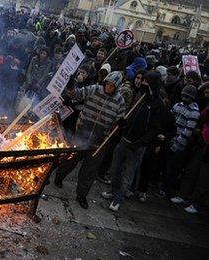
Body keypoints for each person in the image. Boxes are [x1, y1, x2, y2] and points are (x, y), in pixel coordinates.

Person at [55, 71, 126, 209]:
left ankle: (82, 195)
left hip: (100, 140)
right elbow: (75, 94)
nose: (109, 87)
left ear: (116, 87)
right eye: (108, 84)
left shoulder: (120, 101)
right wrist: (70, 85)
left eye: (113, 86)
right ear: (105, 82)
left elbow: (119, 120)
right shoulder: (94, 89)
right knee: (71, 159)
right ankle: (59, 176)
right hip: (82, 133)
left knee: (90, 170)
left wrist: (120, 124)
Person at [101, 71, 166, 211]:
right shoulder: (139, 95)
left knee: (128, 174)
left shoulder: (158, 104)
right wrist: (124, 123)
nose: (143, 83)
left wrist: (140, 143)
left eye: (147, 81)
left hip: (137, 146)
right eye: (143, 80)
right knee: (115, 168)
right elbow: (131, 113)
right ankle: (113, 191)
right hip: (125, 139)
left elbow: (154, 130)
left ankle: (118, 199)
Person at [159, 85, 200, 198]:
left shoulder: (194, 112)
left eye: (187, 96)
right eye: (183, 95)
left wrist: (176, 145)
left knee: (171, 169)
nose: (184, 98)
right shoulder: (177, 105)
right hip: (168, 140)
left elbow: (187, 132)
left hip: (178, 145)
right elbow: (170, 119)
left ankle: (165, 189)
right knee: (164, 165)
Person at [169, 105, 209, 214]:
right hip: (201, 144)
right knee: (191, 171)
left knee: (203, 178)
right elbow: (202, 117)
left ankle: (196, 203)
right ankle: (184, 195)